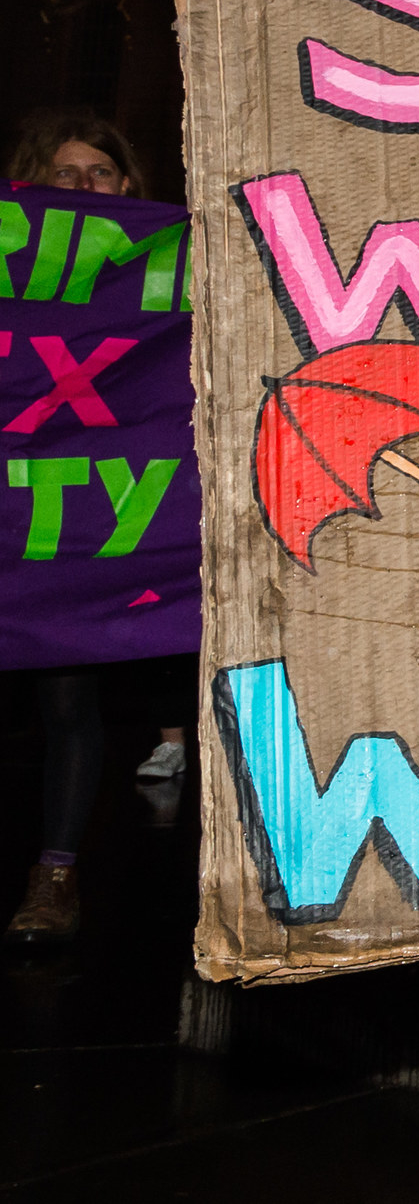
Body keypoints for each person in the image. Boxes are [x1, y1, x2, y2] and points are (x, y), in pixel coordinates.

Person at [2, 111, 187, 948]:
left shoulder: (164, 270)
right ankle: (55, 873)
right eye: (64, 174)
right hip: (29, 513)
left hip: (121, 520)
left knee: (89, 696)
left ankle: (59, 875)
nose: (83, 189)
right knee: (59, 698)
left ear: (127, 188)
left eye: (100, 175)